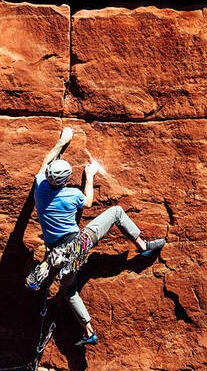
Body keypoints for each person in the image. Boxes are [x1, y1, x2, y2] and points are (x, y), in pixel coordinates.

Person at [27, 126, 165, 347]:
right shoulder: (71, 194)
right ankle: (141, 245)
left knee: (69, 290)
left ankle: (89, 330)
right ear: (64, 180)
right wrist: (89, 176)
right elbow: (88, 200)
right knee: (117, 212)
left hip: (57, 254)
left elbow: (45, 161)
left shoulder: (40, 189)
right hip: (79, 245)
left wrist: (62, 141)